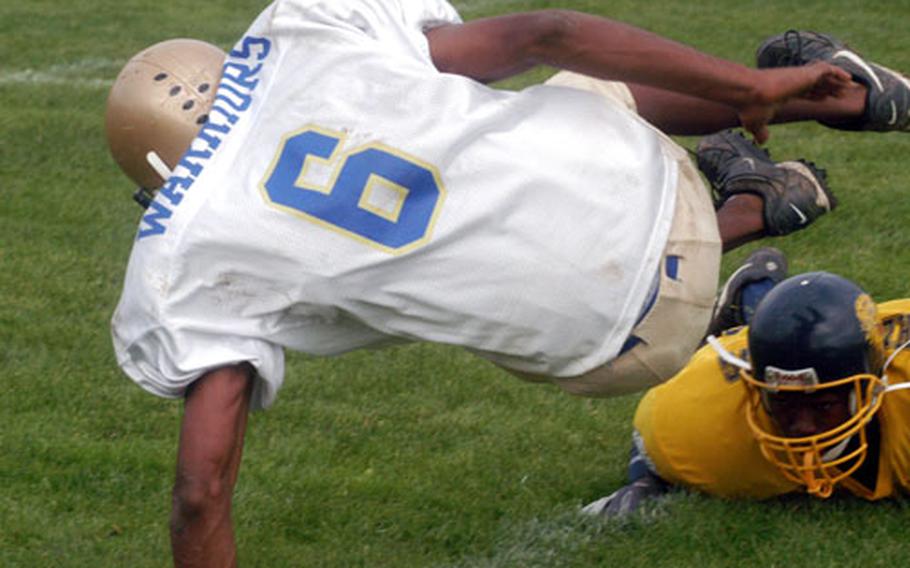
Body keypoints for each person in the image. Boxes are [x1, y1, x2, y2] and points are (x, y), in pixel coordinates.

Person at [103, 1, 909, 564]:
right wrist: (748, 86)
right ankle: (821, 99)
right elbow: (548, 31)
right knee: (563, 100)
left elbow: (201, 492)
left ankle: (748, 218)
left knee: (456, 273)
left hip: (619, 350)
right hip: (648, 181)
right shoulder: (308, 31)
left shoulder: (184, 256)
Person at [583, 248, 910, 518]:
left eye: (823, 405)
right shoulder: (706, 416)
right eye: (782, 403)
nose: (802, 427)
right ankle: (750, 304)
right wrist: (646, 481)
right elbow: (650, 434)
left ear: (870, 387)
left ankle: (753, 298)